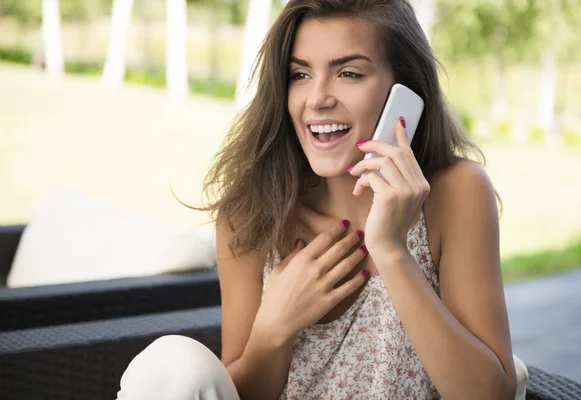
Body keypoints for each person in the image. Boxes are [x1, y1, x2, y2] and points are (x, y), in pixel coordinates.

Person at [116, 0, 520, 399]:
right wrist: (273, 329)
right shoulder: (250, 213)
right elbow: (226, 394)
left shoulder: (456, 193)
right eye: (300, 74)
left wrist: (391, 250)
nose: (317, 98)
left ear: (405, 92)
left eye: (348, 73)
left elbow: (489, 395)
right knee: (174, 363)